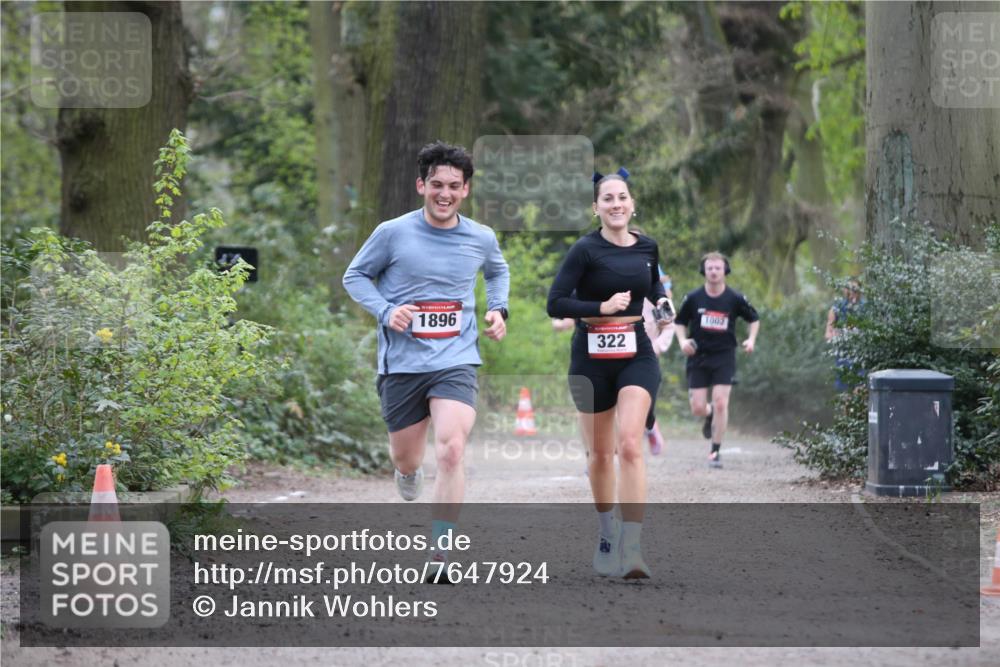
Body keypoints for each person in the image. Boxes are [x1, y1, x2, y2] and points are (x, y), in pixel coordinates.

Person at [342, 141, 510, 581]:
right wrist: (385, 310)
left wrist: (498, 309)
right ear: (421, 185)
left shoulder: (481, 237)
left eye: (454, 186)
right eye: (437, 184)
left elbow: (497, 271)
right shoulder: (392, 233)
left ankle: (441, 553)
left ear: (466, 190)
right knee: (408, 459)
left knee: (452, 448)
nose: (445, 194)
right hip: (402, 364)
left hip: (456, 358)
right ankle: (407, 473)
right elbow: (354, 275)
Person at [547, 167, 670, 579]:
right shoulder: (584, 250)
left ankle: (633, 548)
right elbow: (557, 303)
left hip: (636, 352)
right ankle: (606, 535)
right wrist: (600, 308)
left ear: (632, 204)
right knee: (600, 454)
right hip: (590, 356)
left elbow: (653, 288)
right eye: (608, 199)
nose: (616, 205)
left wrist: (664, 307)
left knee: (631, 444)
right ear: (596, 208)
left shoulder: (648, 247)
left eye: (622, 198)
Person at [674, 252, 759, 469]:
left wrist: (750, 339)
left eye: (717, 268)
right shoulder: (693, 298)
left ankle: (715, 451)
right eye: (709, 268)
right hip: (698, 356)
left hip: (724, 356)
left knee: (721, 403)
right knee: (697, 407)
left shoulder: (735, 298)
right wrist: (683, 341)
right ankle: (708, 415)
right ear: (704, 271)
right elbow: (680, 322)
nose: (713, 272)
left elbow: (754, 318)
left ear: (725, 271)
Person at [825, 279, 865, 391]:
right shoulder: (836, 308)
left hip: (862, 354)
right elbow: (828, 333)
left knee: (861, 388)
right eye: (849, 289)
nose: (851, 292)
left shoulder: (866, 307)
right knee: (844, 390)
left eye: (855, 289)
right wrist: (837, 335)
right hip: (843, 355)